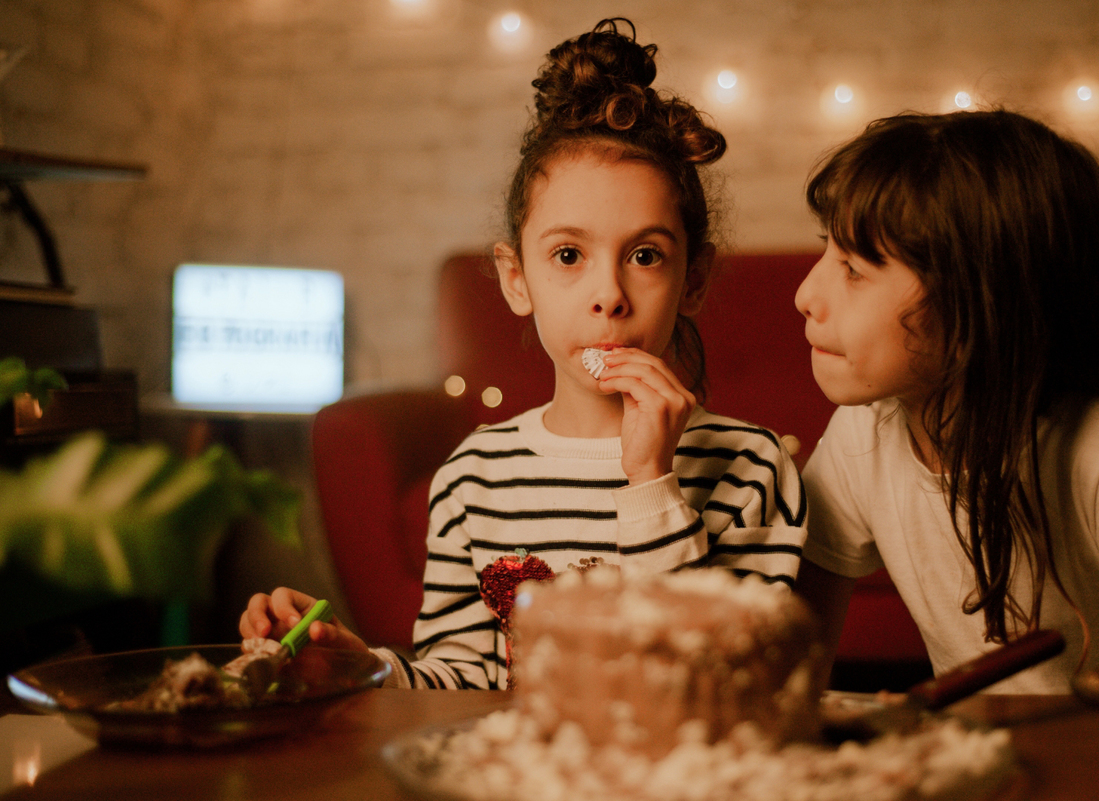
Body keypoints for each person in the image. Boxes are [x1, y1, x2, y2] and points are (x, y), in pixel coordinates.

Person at [240, 19, 806, 689]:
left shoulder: (752, 468)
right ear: (516, 279)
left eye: (645, 255)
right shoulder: (472, 479)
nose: (609, 295)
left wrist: (651, 482)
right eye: (568, 255)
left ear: (695, 279)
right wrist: (365, 669)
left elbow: (728, 686)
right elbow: (461, 679)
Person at [794, 108, 1099, 693]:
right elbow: (798, 660)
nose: (805, 294)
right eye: (826, 250)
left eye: (854, 270)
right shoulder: (862, 435)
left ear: (979, 304)